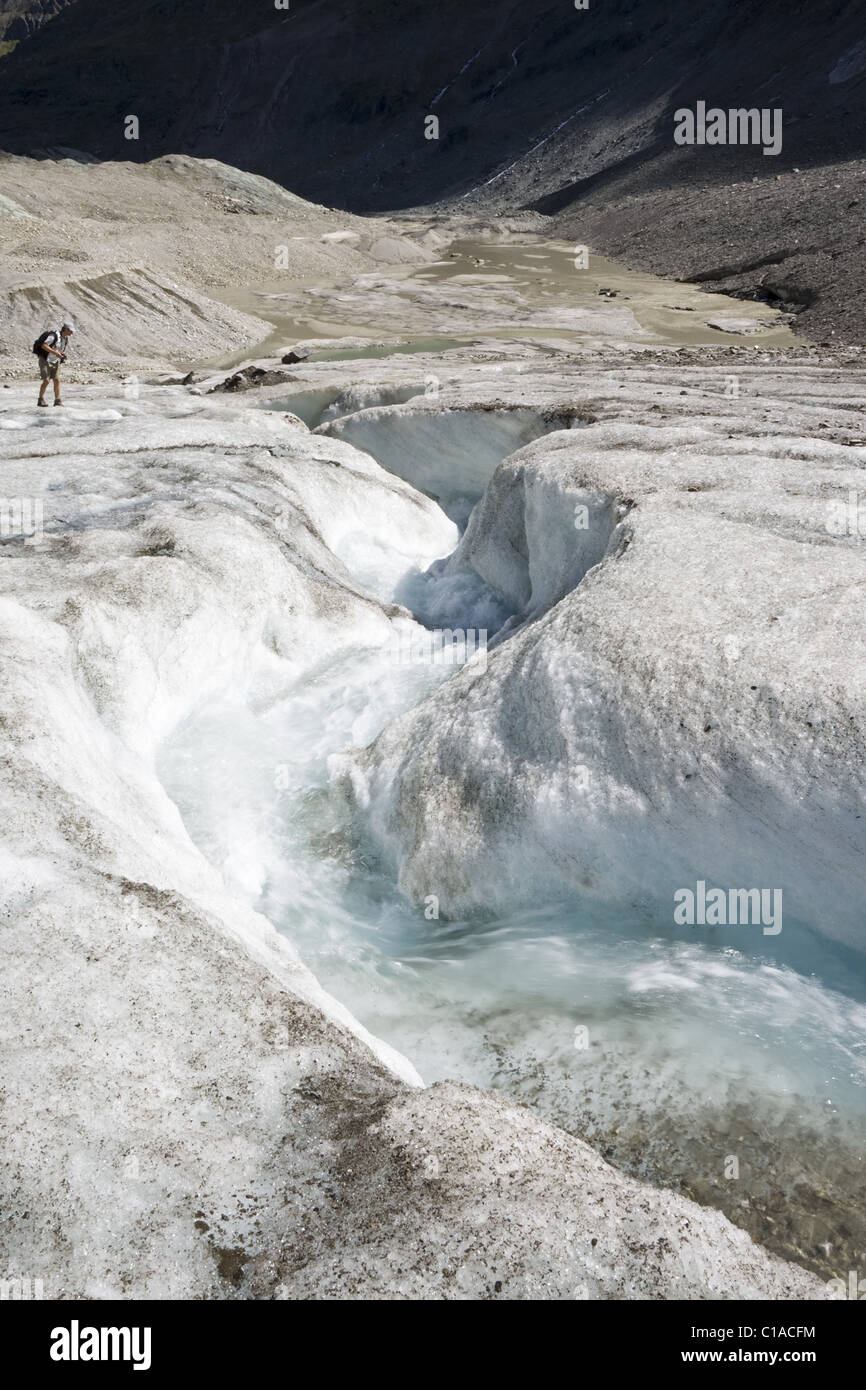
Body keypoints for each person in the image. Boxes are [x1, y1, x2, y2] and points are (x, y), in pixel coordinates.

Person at [36, 322, 75, 406]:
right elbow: (44, 345)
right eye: (71, 331)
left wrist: (61, 355)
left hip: (56, 361)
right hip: (45, 360)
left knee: (57, 380)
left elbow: (59, 350)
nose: (72, 333)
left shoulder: (65, 339)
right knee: (46, 380)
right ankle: (40, 399)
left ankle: (57, 400)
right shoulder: (53, 336)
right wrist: (56, 353)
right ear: (66, 329)